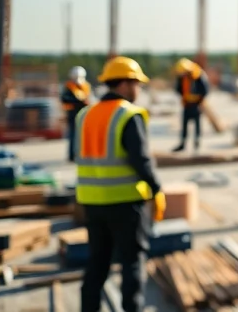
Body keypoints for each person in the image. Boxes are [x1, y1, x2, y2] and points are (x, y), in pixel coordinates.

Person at [75, 56, 166, 312]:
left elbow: (79, 155)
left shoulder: (85, 114)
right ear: (125, 84)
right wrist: (156, 189)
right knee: (132, 264)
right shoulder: (128, 115)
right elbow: (142, 160)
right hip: (125, 203)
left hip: (91, 203)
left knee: (97, 264)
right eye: (137, 84)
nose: (138, 90)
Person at [172, 58, 209, 153]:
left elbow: (205, 90)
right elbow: (179, 89)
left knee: (197, 125)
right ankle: (183, 144)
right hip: (186, 104)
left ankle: (196, 144)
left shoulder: (199, 76)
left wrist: (198, 100)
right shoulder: (183, 78)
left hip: (196, 105)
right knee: (184, 125)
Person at [61, 66, 92, 163]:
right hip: (72, 113)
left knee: (83, 135)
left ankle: (83, 153)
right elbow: (64, 99)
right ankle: (72, 155)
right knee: (73, 134)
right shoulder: (69, 87)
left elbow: (88, 98)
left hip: (84, 113)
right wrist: (77, 101)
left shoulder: (86, 86)